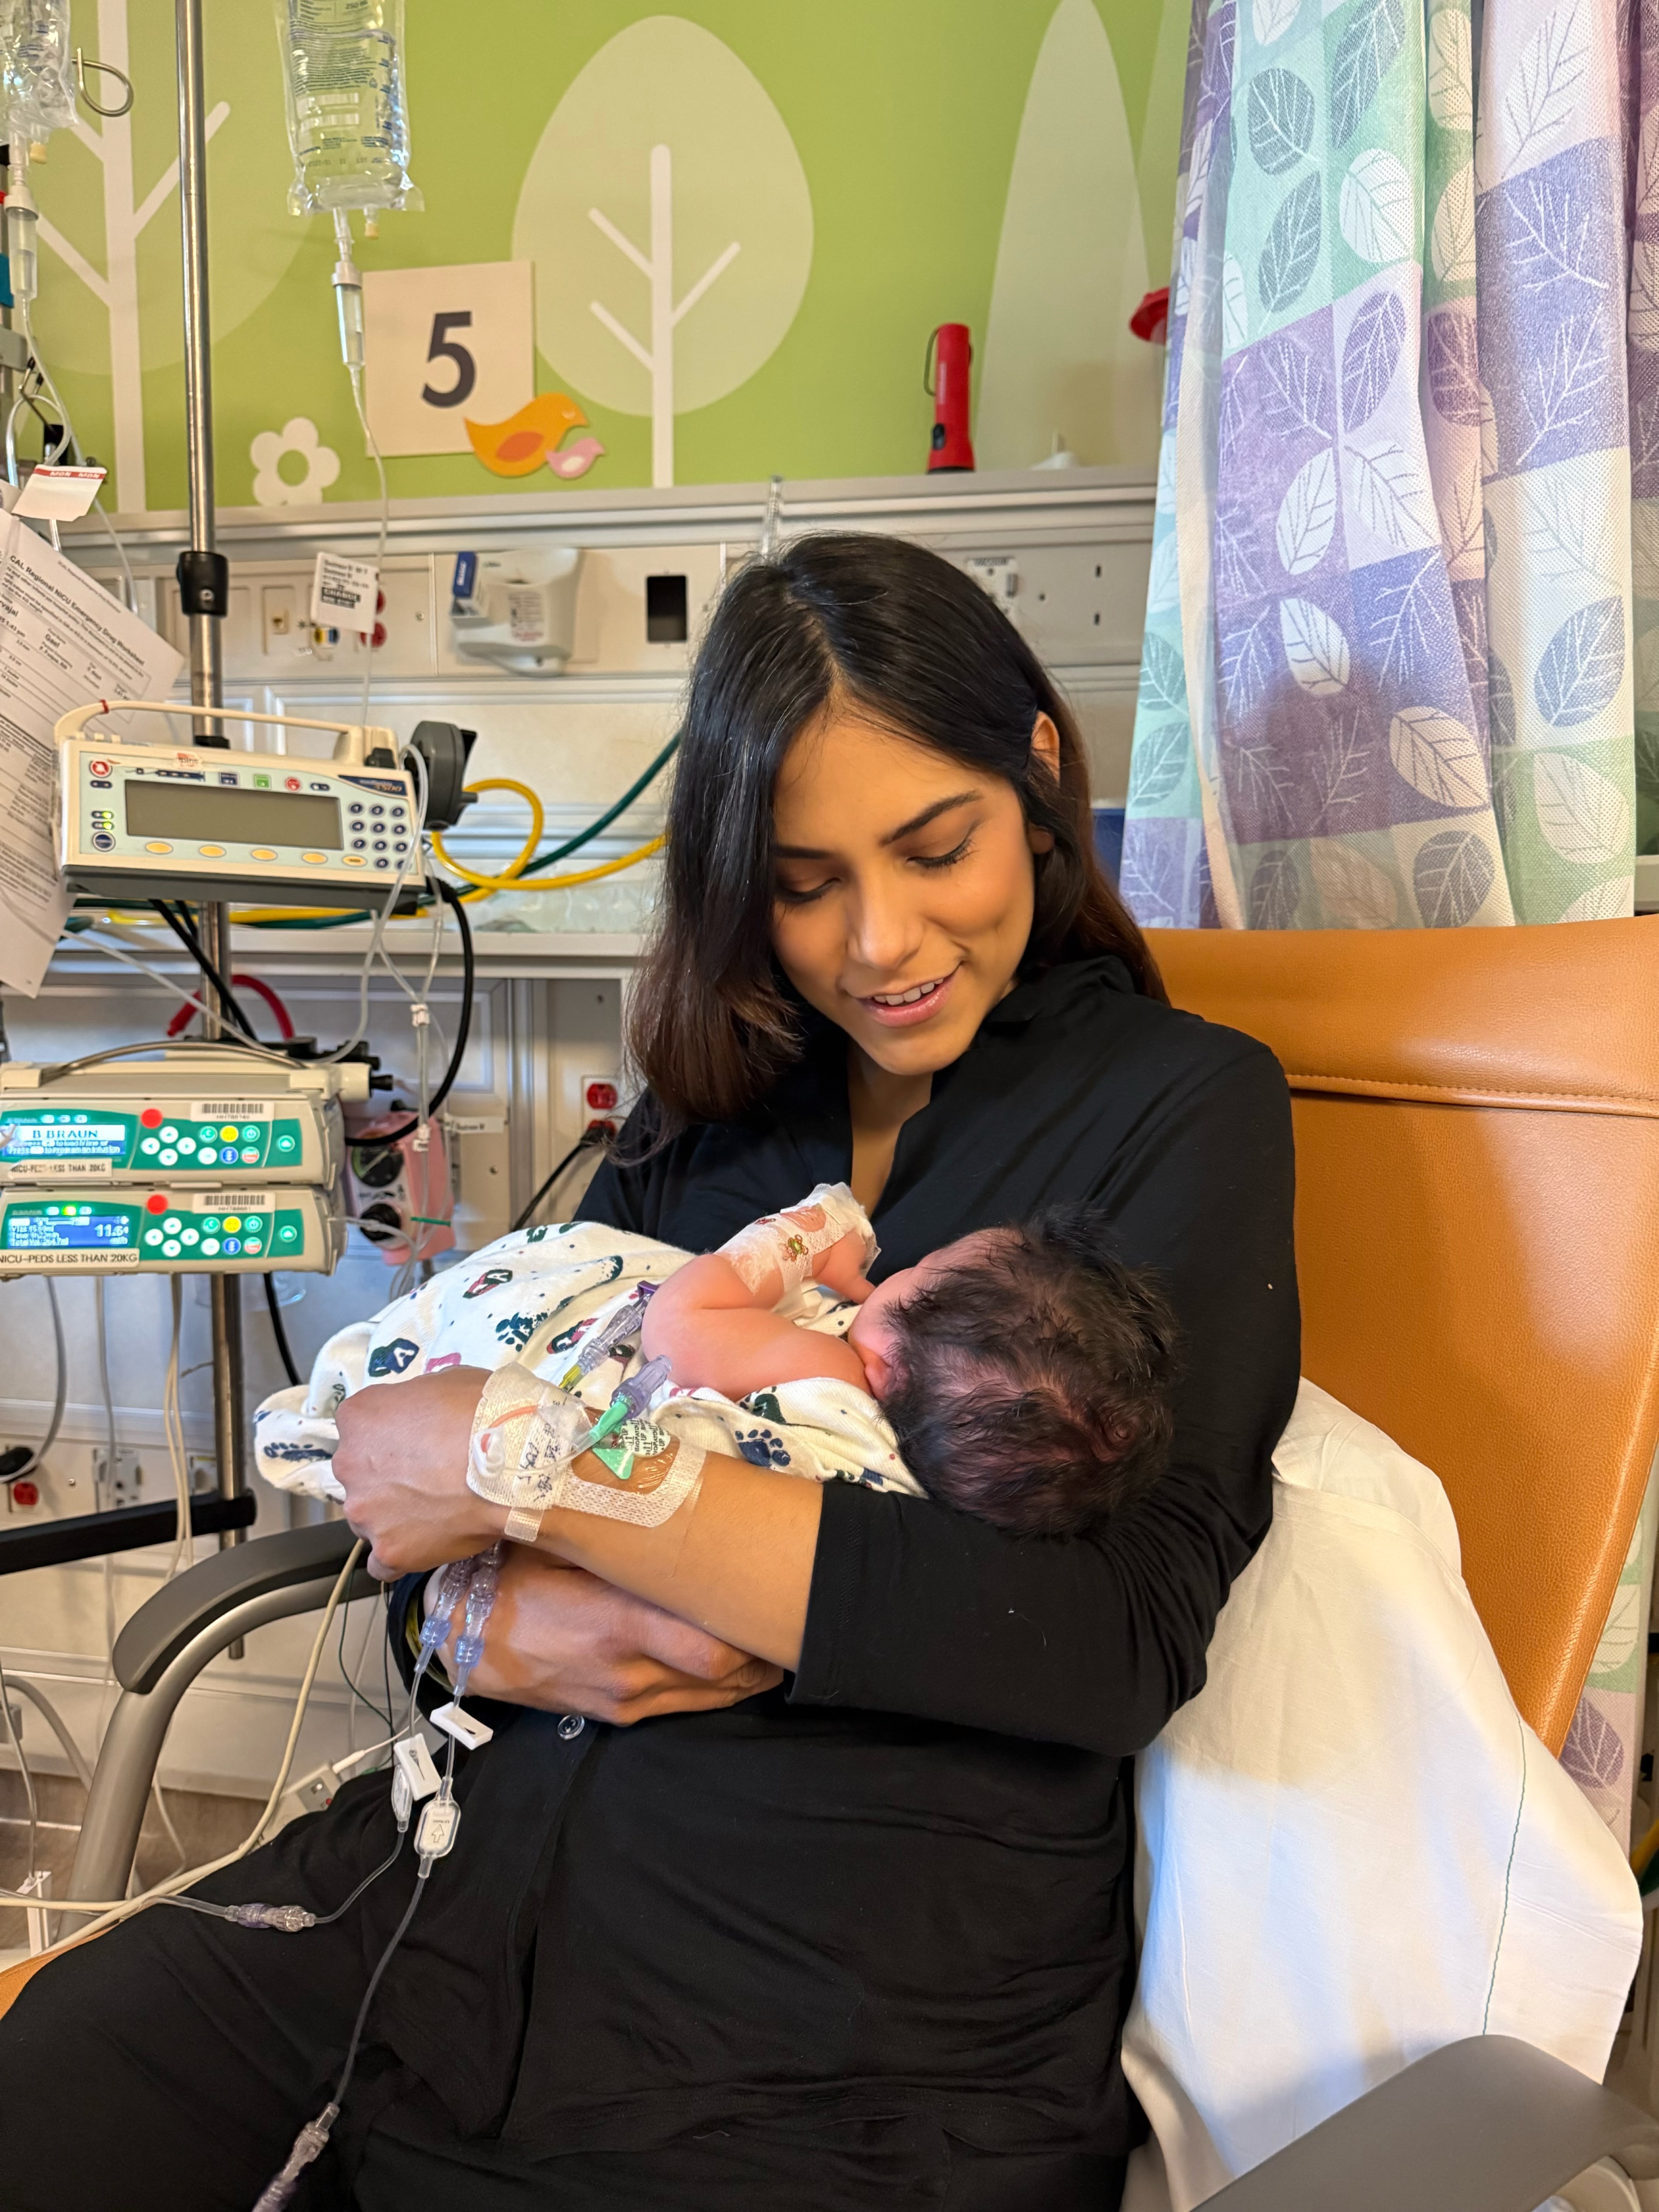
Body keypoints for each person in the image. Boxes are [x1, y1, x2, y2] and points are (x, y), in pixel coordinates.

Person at [0, 532, 1299, 2212]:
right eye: (805, 883)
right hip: (441, 1886)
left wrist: (541, 1478)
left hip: (822, 2005)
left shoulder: (1182, 1105)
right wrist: (465, 1623)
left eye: (937, 848)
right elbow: (430, 1511)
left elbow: (1112, 1641)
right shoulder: (710, 1118)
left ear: (1039, 778)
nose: (880, 941)